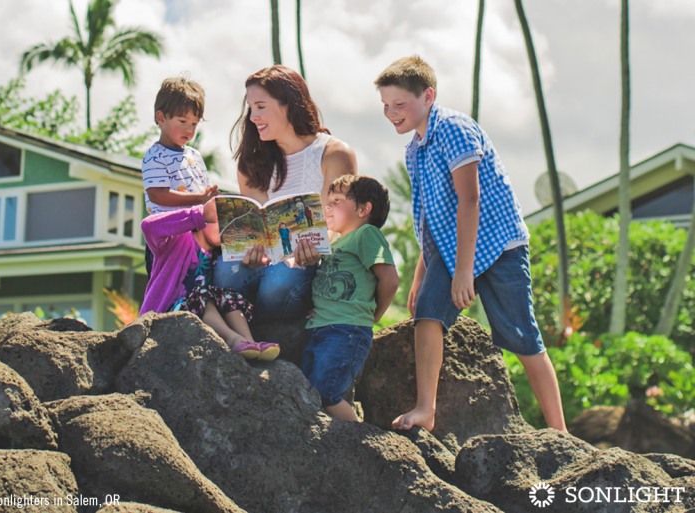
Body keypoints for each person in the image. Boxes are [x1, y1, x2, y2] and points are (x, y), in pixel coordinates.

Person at [375, 56, 567, 432]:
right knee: (427, 312)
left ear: (428, 96)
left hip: (499, 246)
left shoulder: (455, 129)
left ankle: (561, 433)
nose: (391, 112)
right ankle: (425, 409)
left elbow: (470, 200)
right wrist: (421, 275)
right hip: (449, 249)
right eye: (385, 105)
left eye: (399, 104)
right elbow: (431, 216)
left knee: (523, 336)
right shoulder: (414, 149)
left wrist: (465, 272)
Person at [214, 65, 357, 322]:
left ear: (289, 104)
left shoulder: (334, 153)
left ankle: (272, 339)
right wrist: (251, 250)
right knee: (226, 271)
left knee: (278, 282)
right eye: (250, 108)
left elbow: (341, 225)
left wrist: (318, 247)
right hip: (269, 262)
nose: (253, 116)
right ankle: (243, 340)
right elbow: (260, 228)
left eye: (261, 106)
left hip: (313, 265)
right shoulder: (251, 163)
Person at [301, 175, 399, 421]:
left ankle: (357, 438)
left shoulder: (366, 234)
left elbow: (390, 280)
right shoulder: (335, 243)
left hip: (346, 331)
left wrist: (371, 316)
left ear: (364, 209)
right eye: (328, 201)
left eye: (337, 201)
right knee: (309, 391)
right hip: (322, 328)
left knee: (326, 393)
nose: (328, 206)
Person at [140, 200, 279, 361]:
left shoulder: (221, 259)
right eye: (221, 219)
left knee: (228, 295)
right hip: (166, 318)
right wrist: (198, 214)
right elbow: (148, 226)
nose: (226, 228)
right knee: (203, 295)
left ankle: (250, 343)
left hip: (198, 321)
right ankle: (232, 339)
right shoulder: (177, 241)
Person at [142, 76, 219, 274]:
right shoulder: (155, 155)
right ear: (161, 118)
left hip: (197, 238)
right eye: (182, 121)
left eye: (194, 124)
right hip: (168, 240)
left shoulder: (195, 155)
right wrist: (200, 198)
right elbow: (157, 194)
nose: (189, 129)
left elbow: (205, 196)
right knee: (168, 293)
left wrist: (211, 199)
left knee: (197, 286)